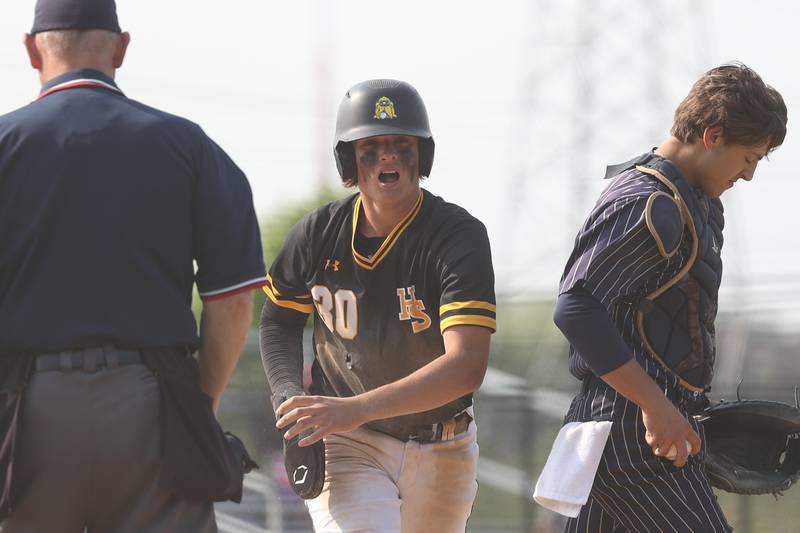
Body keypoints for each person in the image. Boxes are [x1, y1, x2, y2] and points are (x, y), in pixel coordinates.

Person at [0, 0, 266, 531]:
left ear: (31, 51)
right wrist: (197, 409)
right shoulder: (187, 144)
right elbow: (234, 301)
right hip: (153, 408)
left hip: (24, 413)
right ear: (121, 47)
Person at [553, 63, 787, 532]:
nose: (749, 175)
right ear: (713, 135)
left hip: (639, 427)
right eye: (750, 157)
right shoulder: (646, 201)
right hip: (631, 431)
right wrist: (657, 407)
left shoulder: (693, 201)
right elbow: (575, 307)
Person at [260, 79, 496, 532]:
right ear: (349, 159)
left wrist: (356, 408)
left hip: (442, 444)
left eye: (400, 145)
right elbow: (278, 322)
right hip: (350, 441)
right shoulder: (317, 234)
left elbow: (467, 366)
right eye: (371, 145)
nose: (388, 156)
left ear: (421, 155)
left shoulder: (456, 236)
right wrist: (289, 397)